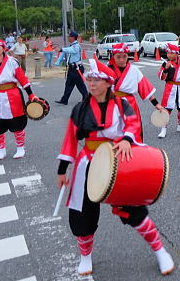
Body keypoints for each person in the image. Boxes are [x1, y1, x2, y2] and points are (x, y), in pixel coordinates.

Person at [56, 59, 174, 276]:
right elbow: (70, 140)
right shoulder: (80, 109)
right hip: (87, 163)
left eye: (96, 80)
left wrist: (128, 139)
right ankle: (85, 257)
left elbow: (132, 123)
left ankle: (160, 250)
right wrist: (63, 170)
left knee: (134, 210)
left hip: (117, 160)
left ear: (108, 83)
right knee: (81, 215)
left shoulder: (121, 105)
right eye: (89, 79)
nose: (91, 84)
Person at [0, 37, 41, 160]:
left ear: (3, 48)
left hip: (12, 95)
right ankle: (1, 149)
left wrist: (31, 94)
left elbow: (22, 79)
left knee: (17, 122)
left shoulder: (12, 62)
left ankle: (20, 148)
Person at [108, 43, 166, 142]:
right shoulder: (107, 69)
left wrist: (156, 104)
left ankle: (135, 153)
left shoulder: (134, 70)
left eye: (124, 56)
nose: (121, 60)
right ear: (113, 56)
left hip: (130, 105)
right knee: (113, 131)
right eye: (118, 57)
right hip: (111, 104)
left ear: (128, 56)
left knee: (133, 132)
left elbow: (145, 87)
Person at [55, 32, 87, 105]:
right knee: (69, 84)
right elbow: (67, 50)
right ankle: (64, 100)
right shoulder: (72, 46)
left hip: (77, 68)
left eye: (69, 36)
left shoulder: (76, 46)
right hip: (72, 68)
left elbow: (72, 50)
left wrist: (61, 49)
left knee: (80, 84)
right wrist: (59, 61)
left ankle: (86, 98)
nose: (68, 38)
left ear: (72, 37)